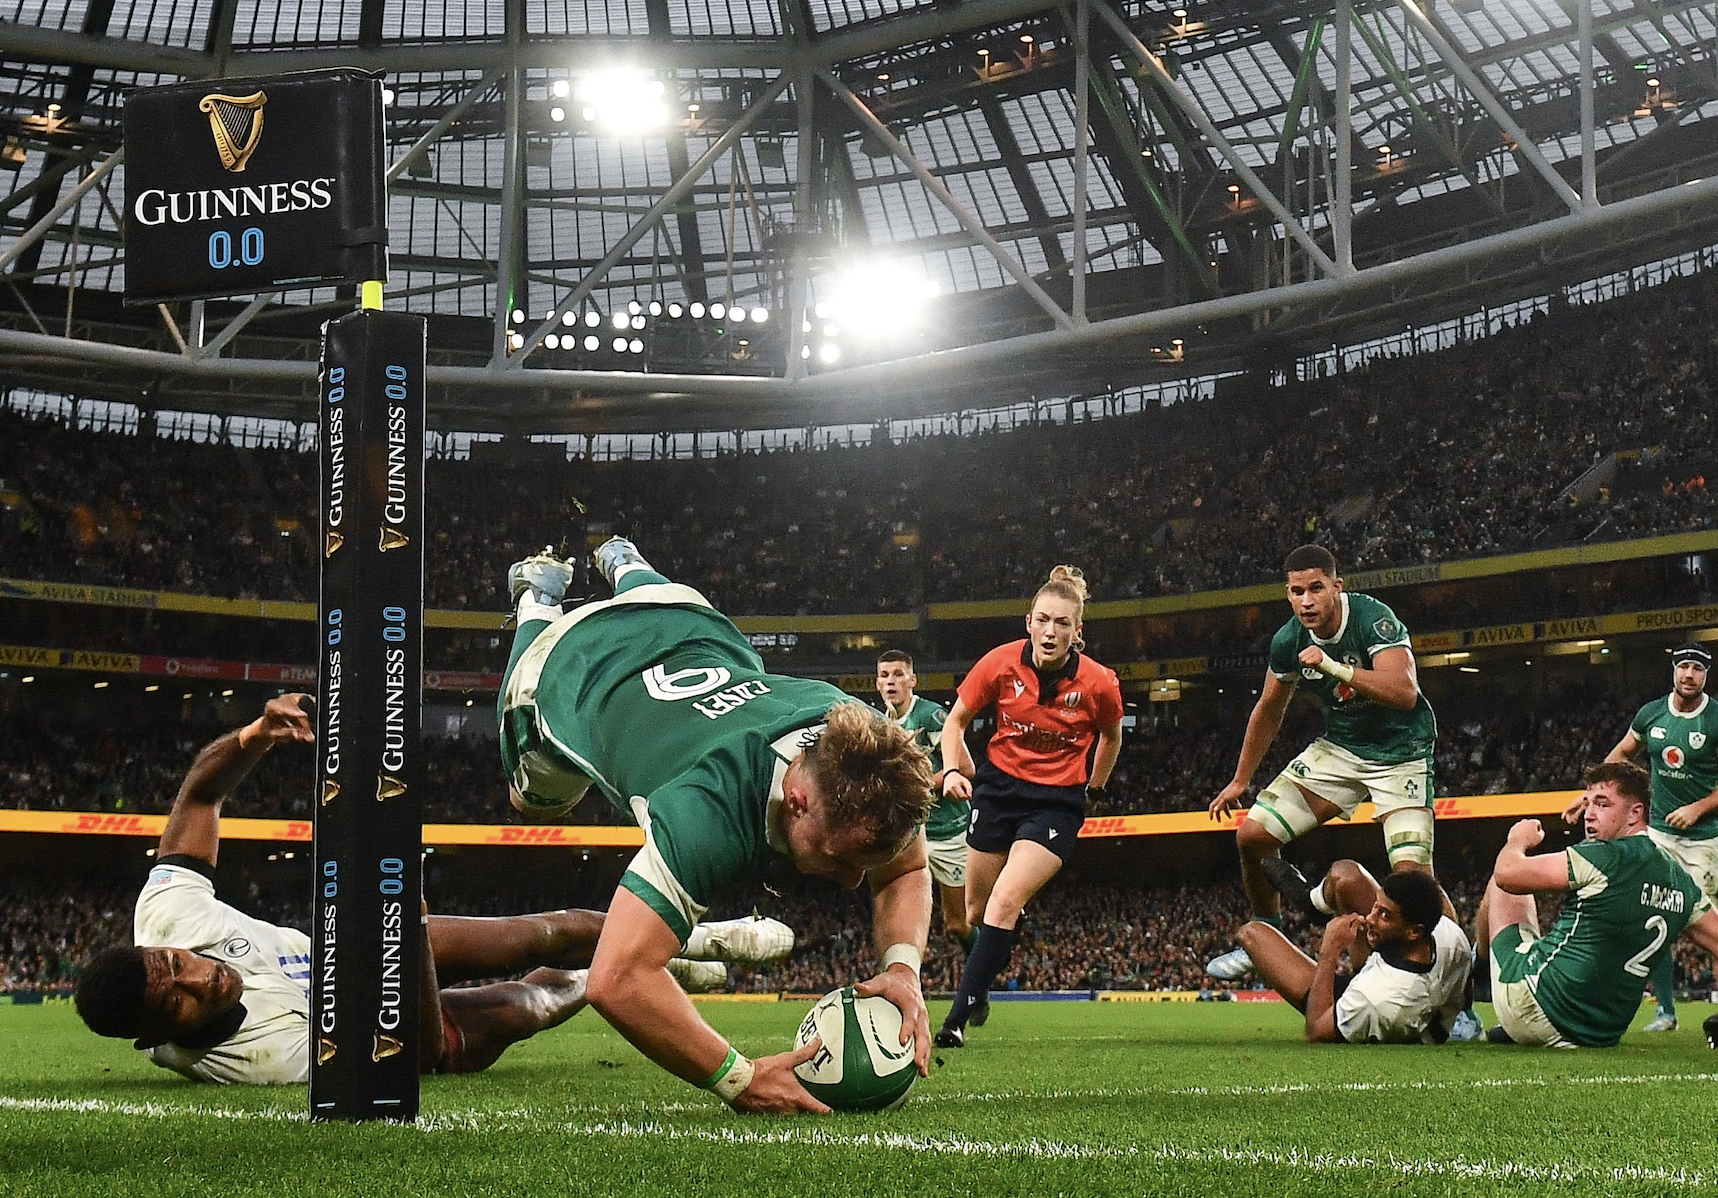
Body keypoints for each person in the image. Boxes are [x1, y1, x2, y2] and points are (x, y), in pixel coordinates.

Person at [74, 694, 791, 1083]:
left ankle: (701, 940)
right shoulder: (255, 1063)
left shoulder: (168, 917)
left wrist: (253, 736)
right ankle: (626, 973)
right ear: (155, 1037)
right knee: (532, 1000)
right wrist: (406, 926)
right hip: (389, 1027)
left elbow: (199, 797)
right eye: (178, 998)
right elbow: (407, 1055)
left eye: (177, 963)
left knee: (545, 928)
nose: (198, 975)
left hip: (341, 947)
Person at [499, 538, 935, 1114]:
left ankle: (625, 563)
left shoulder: (869, 752)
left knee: (669, 607)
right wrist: (740, 1078)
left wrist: (903, 969)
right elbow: (617, 978)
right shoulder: (708, 808)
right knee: (534, 803)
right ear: (798, 800)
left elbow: (906, 868)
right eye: (841, 858)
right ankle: (538, 597)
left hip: (687, 622)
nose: (854, 881)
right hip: (576, 664)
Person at [1206, 544, 1441, 985]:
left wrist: (1335, 667)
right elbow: (1269, 709)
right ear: (1288, 594)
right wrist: (1241, 779)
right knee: (1253, 836)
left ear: (1337, 587)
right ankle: (1268, 933)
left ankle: (1455, 986)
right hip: (1341, 749)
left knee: (1413, 881)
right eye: (1297, 592)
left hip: (1402, 753)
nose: (1307, 601)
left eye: (1316, 588)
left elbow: (1404, 692)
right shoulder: (1288, 640)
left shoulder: (1373, 619)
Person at [932, 565, 1123, 1048]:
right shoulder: (999, 663)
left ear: (1077, 631)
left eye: (1062, 623)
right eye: (1043, 620)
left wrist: (1095, 789)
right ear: (1029, 623)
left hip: (1056, 803)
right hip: (998, 792)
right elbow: (955, 722)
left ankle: (956, 1019)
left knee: (1004, 901)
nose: (1051, 631)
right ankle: (997, 947)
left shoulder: (1099, 683)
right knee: (975, 913)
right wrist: (952, 770)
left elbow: (1111, 735)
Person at [1477, 762, 1718, 1048]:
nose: (1589, 814)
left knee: (1501, 884)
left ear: (1635, 813)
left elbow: (1507, 874)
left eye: (1602, 804)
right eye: (1587, 803)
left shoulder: (1604, 856)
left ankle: (1474, 984)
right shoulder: (1682, 881)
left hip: (1535, 1006)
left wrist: (1517, 840)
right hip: (1601, 1033)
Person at [1562, 642, 1718, 1032]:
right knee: (1653, 913)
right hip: (1658, 835)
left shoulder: (1715, 718)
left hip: (1703, 840)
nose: (1689, 675)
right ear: (1673, 670)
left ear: (1706, 675)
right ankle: (1665, 1011)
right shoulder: (1651, 714)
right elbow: (1619, 756)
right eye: (1684, 666)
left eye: (1698, 669)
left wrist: (1697, 808)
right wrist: (1589, 797)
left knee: (1705, 925)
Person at [1239, 860, 1471, 1043]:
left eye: (1385, 915)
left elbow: (1316, 1029)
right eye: (1376, 907)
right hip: (1396, 983)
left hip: (1372, 1000)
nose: (1370, 918)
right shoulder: (1449, 935)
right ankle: (1311, 902)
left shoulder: (1376, 1002)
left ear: (1414, 932)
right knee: (1346, 874)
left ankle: (1309, 913)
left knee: (1252, 934)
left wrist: (1329, 951)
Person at [876, 650, 974, 955]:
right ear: (877, 684)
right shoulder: (881, 725)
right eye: (884, 675)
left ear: (912, 680)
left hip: (950, 832)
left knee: (958, 923)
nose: (890, 681)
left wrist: (914, 789)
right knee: (895, 914)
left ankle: (987, 969)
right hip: (911, 834)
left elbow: (966, 768)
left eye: (898, 674)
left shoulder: (930, 716)